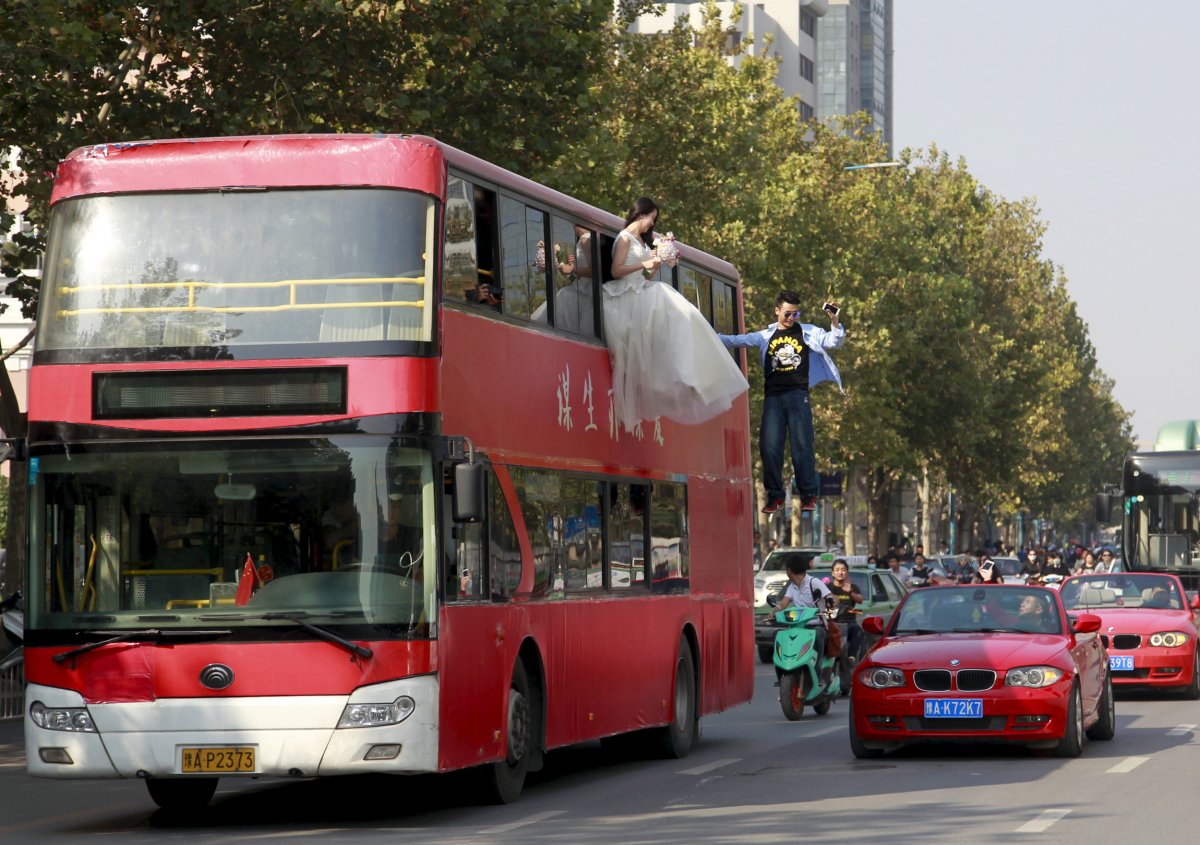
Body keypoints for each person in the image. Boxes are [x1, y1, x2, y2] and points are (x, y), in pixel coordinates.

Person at [603, 197, 749, 433]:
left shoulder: (640, 240)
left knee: (683, 311)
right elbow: (616, 270)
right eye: (651, 219)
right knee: (670, 303)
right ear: (642, 214)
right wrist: (645, 263)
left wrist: (653, 268)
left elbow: (642, 277)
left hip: (639, 289)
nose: (652, 225)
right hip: (624, 296)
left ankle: (691, 373)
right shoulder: (624, 238)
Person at [718, 290, 844, 514]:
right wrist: (706, 333)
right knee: (769, 447)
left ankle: (808, 495)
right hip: (773, 398)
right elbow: (735, 340)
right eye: (787, 314)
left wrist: (834, 320)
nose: (791, 318)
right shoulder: (765, 335)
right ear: (777, 311)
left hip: (798, 396)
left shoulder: (809, 331)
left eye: (796, 314)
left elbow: (834, 341)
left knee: (802, 446)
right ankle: (775, 496)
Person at [774, 556, 833, 673]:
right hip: (798, 627)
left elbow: (830, 596)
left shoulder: (814, 583)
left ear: (789, 571)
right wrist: (772, 614)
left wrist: (831, 602)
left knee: (818, 636)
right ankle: (784, 669)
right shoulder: (792, 587)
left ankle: (818, 669)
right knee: (779, 636)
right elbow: (784, 602)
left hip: (817, 626)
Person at [827, 559, 865, 662]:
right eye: (837, 570)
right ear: (833, 573)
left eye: (843, 570)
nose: (840, 572)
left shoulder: (852, 587)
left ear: (847, 572)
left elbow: (860, 600)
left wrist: (850, 592)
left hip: (849, 622)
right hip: (831, 622)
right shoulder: (827, 587)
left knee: (857, 631)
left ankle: (851, 657)